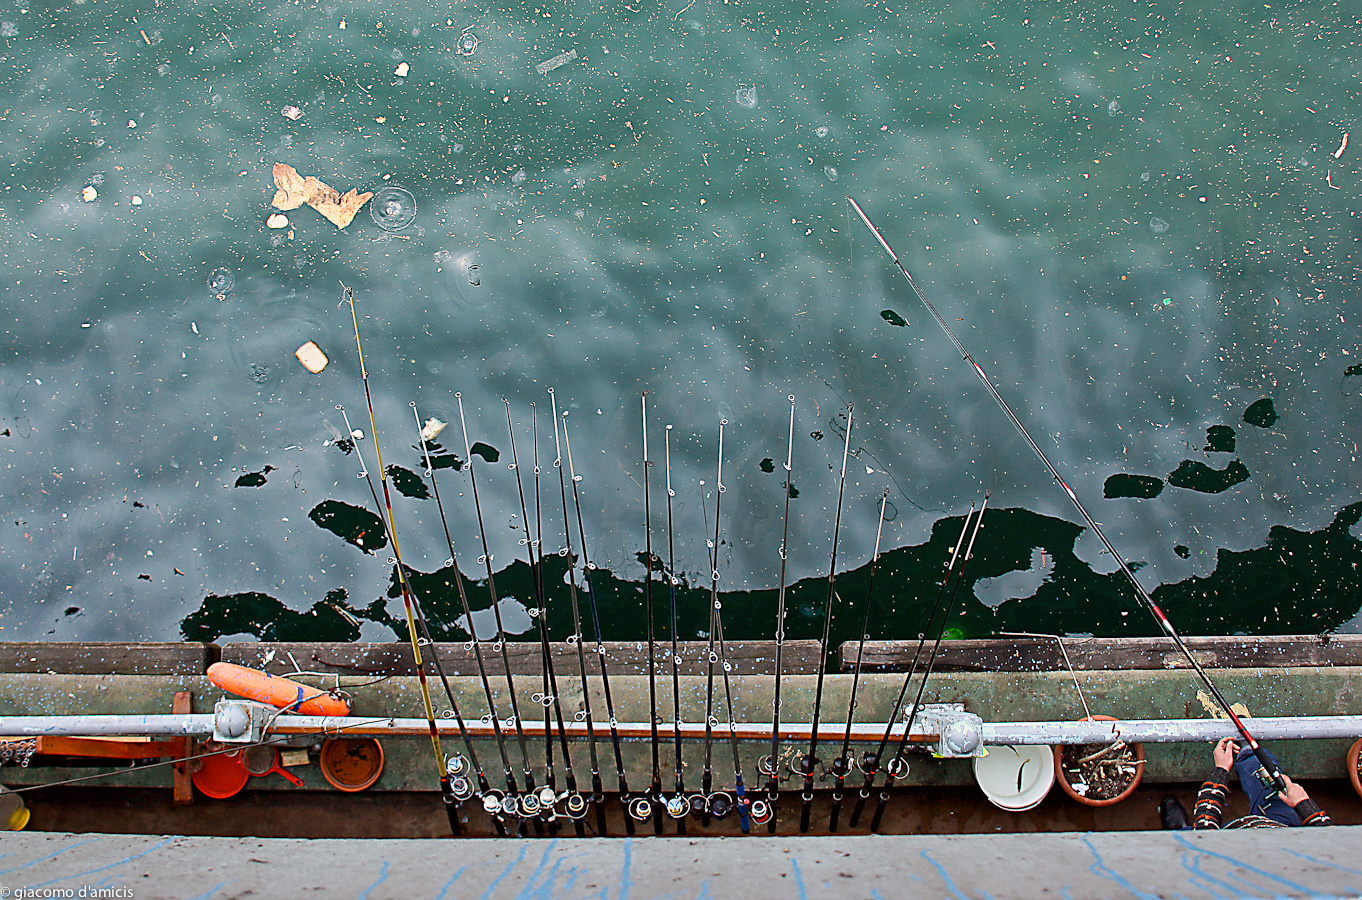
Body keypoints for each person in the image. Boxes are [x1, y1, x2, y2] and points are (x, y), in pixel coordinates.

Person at [1160, 737, 1332, 829]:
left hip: (1231, 837)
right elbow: (1328, 838)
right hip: (1281, 826)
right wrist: (1304, 805)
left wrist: (1221, 771)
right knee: (1275, 788)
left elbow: (1205, 834)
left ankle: (1180, 831)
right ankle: (1248, 751)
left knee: (1191, 840)